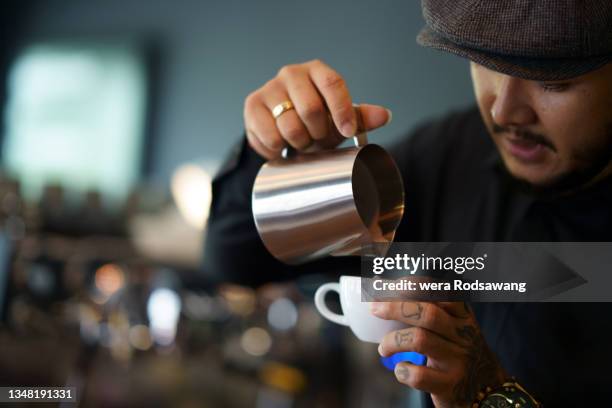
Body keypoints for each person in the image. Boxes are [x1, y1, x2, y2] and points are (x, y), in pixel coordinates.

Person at [203, 0, 612, 406]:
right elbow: (237, 258)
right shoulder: (453, 154)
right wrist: (272, 150)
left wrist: (492, 397)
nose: (504, 111)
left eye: (550, 81)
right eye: (488, 63)